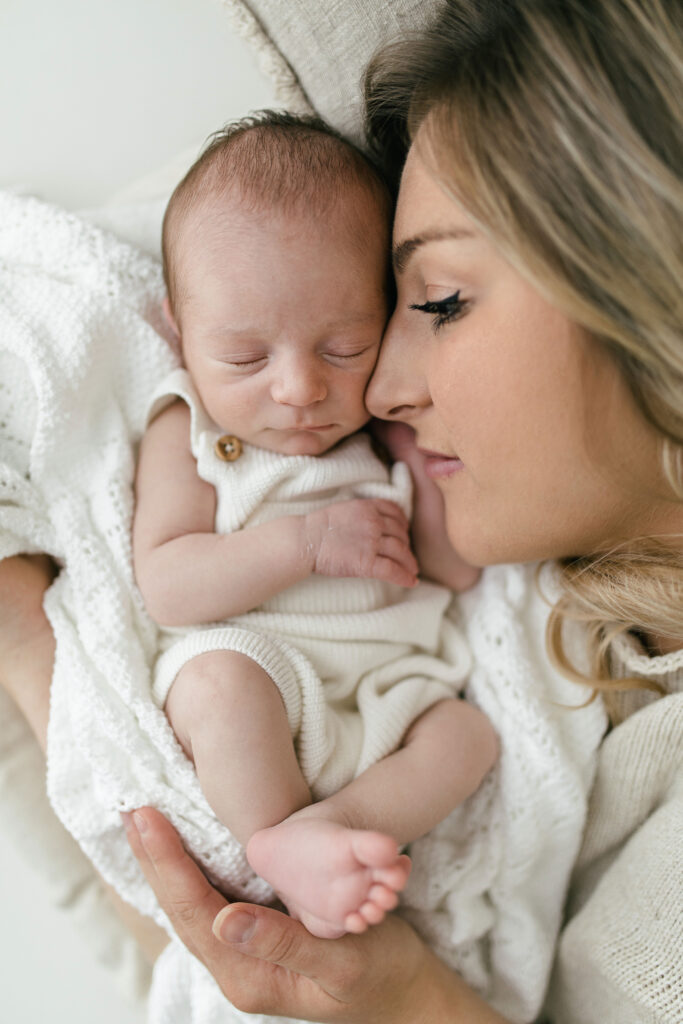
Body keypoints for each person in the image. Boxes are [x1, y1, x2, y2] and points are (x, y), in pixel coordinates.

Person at [1, 0, 681, 1021]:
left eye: (438, 300)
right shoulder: (197, 435)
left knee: (459, 739)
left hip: (380, 712)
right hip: (268, 699)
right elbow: (184, 948)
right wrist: (26, 641)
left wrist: (407, 996)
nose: (373, 388)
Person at [132, 111, 495, 939]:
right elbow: (168, 587)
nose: (299, 389)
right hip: (264, 666)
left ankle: (325, 831)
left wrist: (420, 449)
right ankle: (276, 849)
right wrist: (303, 543)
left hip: (386, 688)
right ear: (178, 334)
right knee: (214, 686)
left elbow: (456, 569)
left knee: (466, 736)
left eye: (341, 348)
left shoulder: (377, 431)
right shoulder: (188, 430)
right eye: (247, 358)